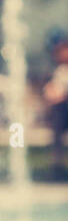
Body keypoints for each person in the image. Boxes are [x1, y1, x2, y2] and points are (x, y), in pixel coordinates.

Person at [42, 30, 68, 182]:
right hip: (60, 111)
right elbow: (49, 88)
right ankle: (57, 167)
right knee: (56, 138)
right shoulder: (56, 71)